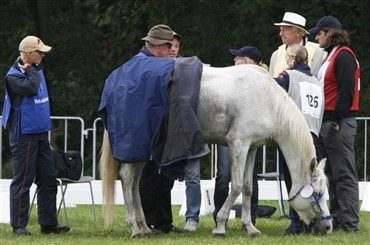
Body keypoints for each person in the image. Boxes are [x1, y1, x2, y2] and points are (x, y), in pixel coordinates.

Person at [1, 36, 70, 236]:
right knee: (23, 181)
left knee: (48, 179)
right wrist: (30, 69)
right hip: (24, 134)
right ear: (29, 54)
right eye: (40, 53)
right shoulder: (14, 76)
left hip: (40, 132)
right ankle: (19, 226)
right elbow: (31, 89)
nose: (43, 56)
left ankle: (48, 224)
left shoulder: (35, 71)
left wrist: (31, 69)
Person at [269, 11, 325, 235]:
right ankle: (297, 219)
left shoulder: (316, 51)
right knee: (288, 174)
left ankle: (308, 220)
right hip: (283, 125)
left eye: (285, 28)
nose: (281, 32)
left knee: (306, 175)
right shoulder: (276, 54)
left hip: (304, 123)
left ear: (299, 32)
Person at [309, 16, 360, 232]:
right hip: (330, 121)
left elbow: (346, 90)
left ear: (330, 33)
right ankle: (339, 220)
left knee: (344, 175)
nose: (317, 37)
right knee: (333, 175)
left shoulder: (344, 56)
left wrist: (337, 119)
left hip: (338, 122)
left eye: (319, 33)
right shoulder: (333, 55)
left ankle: (349, 224)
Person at [138, 24, 187, 234]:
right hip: (149, 128)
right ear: (159, 46)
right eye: (169, 45)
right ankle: (148, 221)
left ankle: (163, 222)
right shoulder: (143, 65)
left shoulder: (164, 65)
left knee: (165, 176)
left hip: (165, 127)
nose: (172, 49)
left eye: (174, 46)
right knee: (149, 176)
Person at [213, 45, 268, 226]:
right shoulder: (230, 80)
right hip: (227, 132)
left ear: (249, 62)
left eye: (238, 58)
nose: (234, 61)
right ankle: (220, 216)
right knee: (223, 176)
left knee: (250, 179)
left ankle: (250, 217)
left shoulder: (262, 83)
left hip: (248, 134)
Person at [270, 12, 324, 77]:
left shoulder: (318, 52)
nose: (280, 34)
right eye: (281, 30)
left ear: (298, 32)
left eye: (285, 30)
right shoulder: (276, 55)